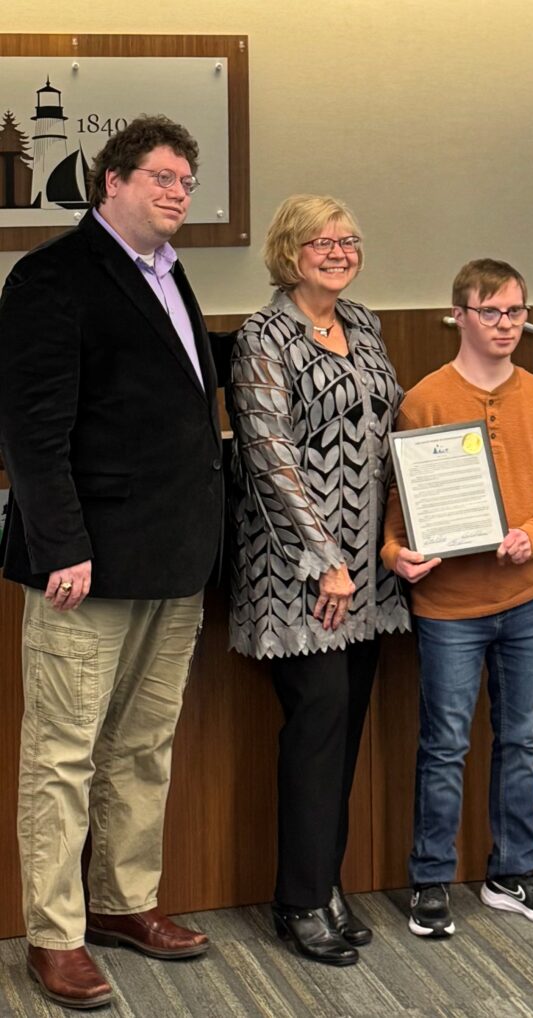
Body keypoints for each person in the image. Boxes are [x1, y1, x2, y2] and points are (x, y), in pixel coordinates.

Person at [0, 116, 222, 1009]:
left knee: (143, 746)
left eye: (186, 180)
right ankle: (54, 936)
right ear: (112, 182)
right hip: (85, 569)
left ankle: (124, 901)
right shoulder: (51, 278)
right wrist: (63, 547)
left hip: (174, 559)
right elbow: (31, 431)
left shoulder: (172, 274)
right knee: (61, 754)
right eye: (161, 177)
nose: (177, 192)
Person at [381, 258, 533, 937]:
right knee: (443, 744)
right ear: (459, 316)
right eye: (492, 311)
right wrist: (393, 553)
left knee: (522, 739)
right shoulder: (423, 400)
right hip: (450, 607)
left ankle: (512, 873)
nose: (507, 324)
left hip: (530, 597)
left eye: (516, 311)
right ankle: (431, 878)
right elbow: (398, 503)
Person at [229, 195, 408, 964]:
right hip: (302, 574)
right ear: (289, 251)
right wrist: (326, 559)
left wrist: (406, 535)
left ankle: (325, 882)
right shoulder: (264, 337)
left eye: (348, 240)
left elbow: (393, 427)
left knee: (345, 727)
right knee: (318, 724)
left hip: (368, 568)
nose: (337, 251)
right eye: (320, 241)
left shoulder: (363, 324)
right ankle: (299, 899)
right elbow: (268, 456)